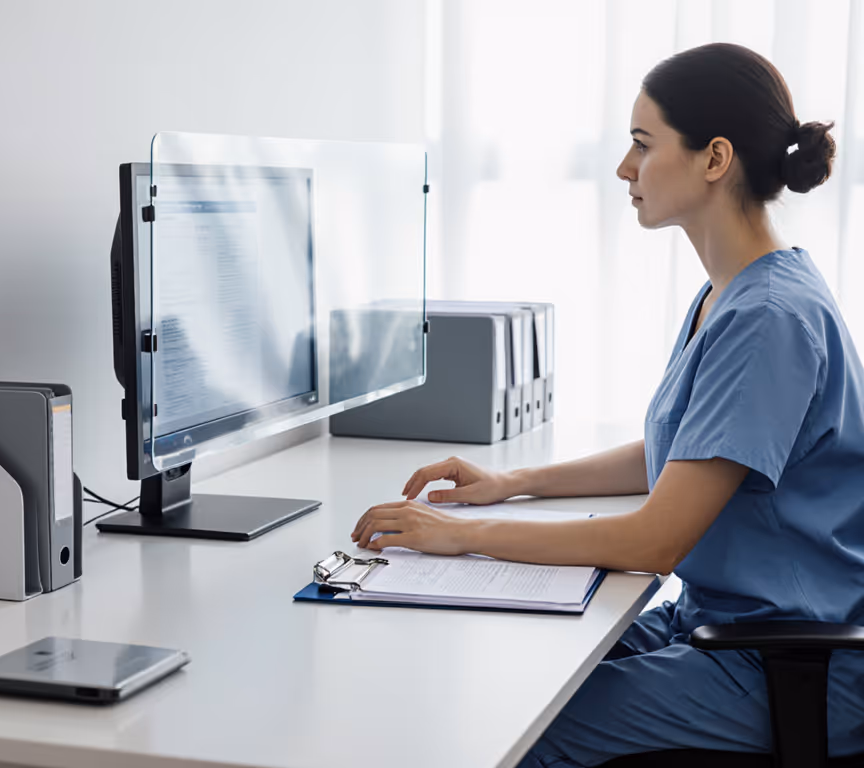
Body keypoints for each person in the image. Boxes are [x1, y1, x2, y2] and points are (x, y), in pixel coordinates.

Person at [350, 42, 864, 764]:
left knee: (511, 736)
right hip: (723, 626)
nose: (625, 168)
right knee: (510, 675)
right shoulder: (734, 292)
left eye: (642, 144)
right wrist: (512, 484)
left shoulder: (767, 317)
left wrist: (458, 534)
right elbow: (684, 455)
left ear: (714, 159)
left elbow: (653, 540)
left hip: (785, 663)